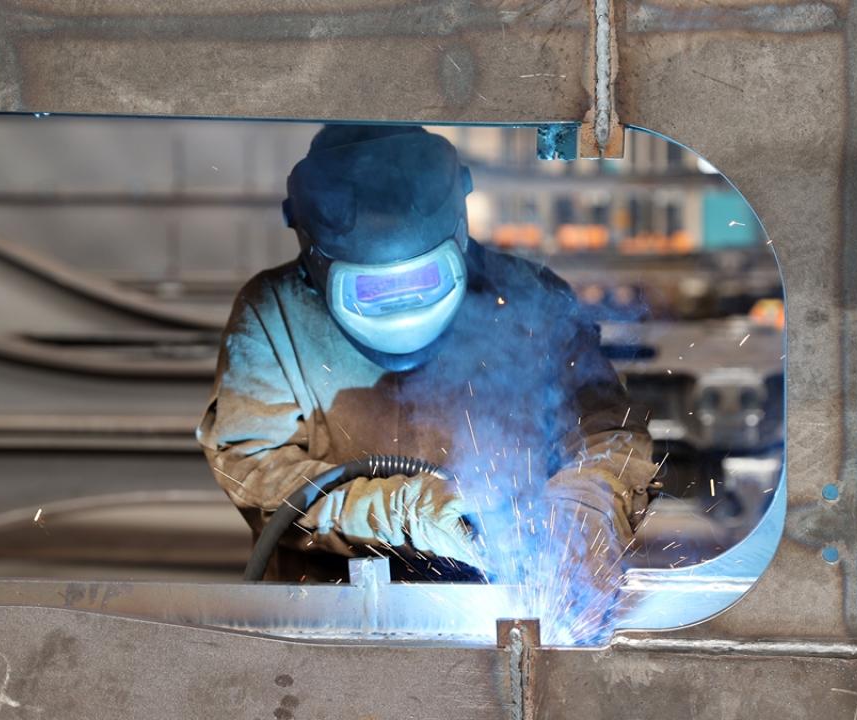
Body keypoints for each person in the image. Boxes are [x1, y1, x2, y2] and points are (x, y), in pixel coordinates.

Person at [197, 126, 655, 626]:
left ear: (459, 226)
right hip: (328, 618)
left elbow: (608, 432)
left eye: (421, 279)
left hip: (513, 607)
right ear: (313, 247)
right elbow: (253, 469)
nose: (403, 307)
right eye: (373, 291)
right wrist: (403, 511)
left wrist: (587, 503)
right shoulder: (273, 314)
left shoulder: (529, 297)